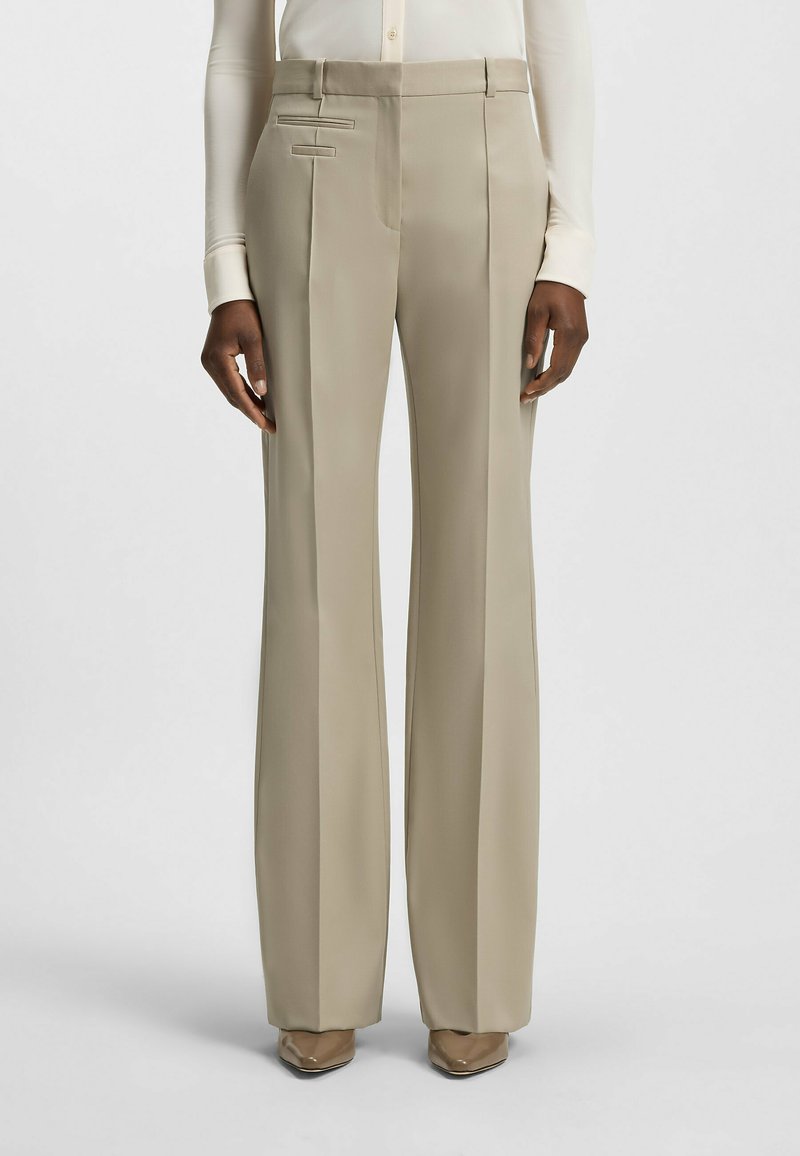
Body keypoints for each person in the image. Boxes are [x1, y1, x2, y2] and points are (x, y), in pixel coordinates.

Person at [200, 0, 594, 1077]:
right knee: (312, 568)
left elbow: (558, 26)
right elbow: (237, 46)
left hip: (486, 145)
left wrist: (569, 247)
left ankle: (476, 975)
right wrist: (226, 268)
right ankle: (317, 974)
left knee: (483, 563)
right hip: (312, 147)